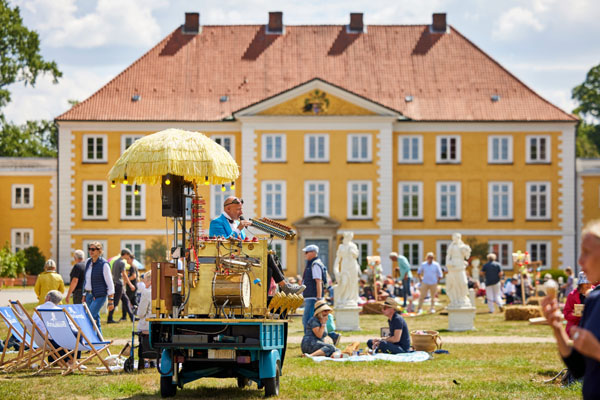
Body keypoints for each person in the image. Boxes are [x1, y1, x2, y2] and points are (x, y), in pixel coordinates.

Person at [541, 220, 600, 399]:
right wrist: (558, 328)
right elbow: (578, 368)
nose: (580, 261)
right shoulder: (594, 300)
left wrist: (596, 350)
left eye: (587, 252)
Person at [209, 196, 304, 295]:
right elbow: (222, 244)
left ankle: (265, 298)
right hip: (228, 260)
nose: (241, 213)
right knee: (267, 256)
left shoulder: (237, 223)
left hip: (241, 258)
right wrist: (238, 229)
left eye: (241, 209)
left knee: (270, 267)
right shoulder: (217, 222)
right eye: (238, 209)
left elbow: (243, 242)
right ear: (228, 209)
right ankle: (284, 286)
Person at [32, 290, 80, 364]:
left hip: (39, 339)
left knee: (60, 335)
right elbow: (72, 327)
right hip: (53, 341)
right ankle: (72, 361)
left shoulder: (38, 309)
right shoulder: (59, 311)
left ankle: (55, 360)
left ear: (48, 298)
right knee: (76, 334)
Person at [82, 241, 115, 332]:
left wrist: (111, 300)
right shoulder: (88, 262)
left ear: (99, 251)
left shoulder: (103, 264)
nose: (90, 251)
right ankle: (99, 341)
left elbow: (110, 283)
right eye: (89, 249)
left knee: (90, 317)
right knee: (96, 319)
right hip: (89, 295)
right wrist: (84, 294)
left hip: (99, 296)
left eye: (93, 249)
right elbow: (86, 280)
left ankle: (89, 339)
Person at [107, 249, 136, 324]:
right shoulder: (122, 262)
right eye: (128, 255)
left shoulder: (116, 262)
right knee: (115, 302)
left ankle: (132, 317)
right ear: (125, 254)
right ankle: (109, 319)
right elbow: (124, 274)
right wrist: (130, 284)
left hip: (116, 283)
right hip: (118, 284)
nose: (128, 257)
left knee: (126, 301)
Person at [332, 232, 360, 307]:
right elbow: (338, 259)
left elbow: (356, 255)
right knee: (344, 283)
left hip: (353, 267)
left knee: (352, 284)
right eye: (349, 237)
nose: (350, 238)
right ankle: (340, 298)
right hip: (345, 267)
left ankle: (350, 300)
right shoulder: (341, 247)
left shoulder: (353, 246)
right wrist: (336, 270)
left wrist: (353, 252)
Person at [136, 271, 157, 370]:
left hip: (147, 326)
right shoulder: (161, 292)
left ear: (149, 281)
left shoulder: (146, 292)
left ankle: (146, 359)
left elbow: (141, 313)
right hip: (159, 326)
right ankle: (154, 360)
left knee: (142, 327)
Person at [301, 244, 326, 328]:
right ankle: (332, 335)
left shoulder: (315, 264)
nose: (305, 254)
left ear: (313, 253)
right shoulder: (311, 264)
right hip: (311, 296)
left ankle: (308, 339)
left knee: (307, 320)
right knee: (315, 319)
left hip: (313, 297)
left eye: (307, 252)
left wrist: (318, 298)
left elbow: (318, 281)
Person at [445, 233, 472, 308]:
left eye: (456, 237)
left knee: (463, 282)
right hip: (453, 266)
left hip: (460, 266)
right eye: (453, 238)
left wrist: (467, 250)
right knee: (454, 284)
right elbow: (448, 255)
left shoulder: (462, 246)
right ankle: (456, 299)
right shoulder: (451, 246)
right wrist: (448, 263)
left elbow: (467, 256)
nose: (455, 239)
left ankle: (463, 297)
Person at [564, 272, 593, 339]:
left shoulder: (596, 292)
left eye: (590, 282)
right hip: (577, 327)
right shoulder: (572, 295)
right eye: (586, 283)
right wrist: (575, 314)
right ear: (581, 284)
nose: (589, 285)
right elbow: (566, 314)